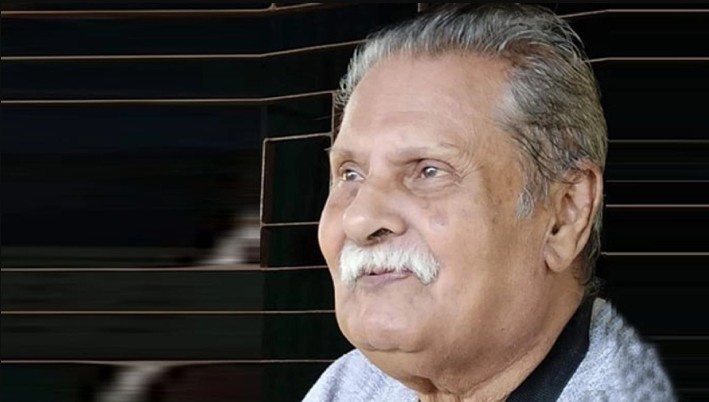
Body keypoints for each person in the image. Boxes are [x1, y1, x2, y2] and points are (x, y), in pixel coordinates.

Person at [304, 4, 675, 402]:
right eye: (350, 174)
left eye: (429, 171)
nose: (359, 219)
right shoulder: (348, 386)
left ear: (565, 215)